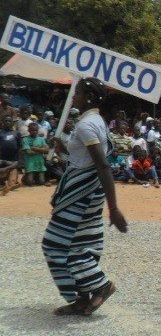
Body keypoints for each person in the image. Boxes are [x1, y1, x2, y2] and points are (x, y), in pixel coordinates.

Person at [42, 77, 128, 316]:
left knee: (54, 244)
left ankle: (101, 285)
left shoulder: (86, 125)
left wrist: (114, 208)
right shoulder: (95, 121)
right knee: (79, 244)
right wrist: (62, 148)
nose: (73, 96)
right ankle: (81, 299)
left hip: (80, 195)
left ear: (88, 97)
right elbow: (86, 158)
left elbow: (102, 166)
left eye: (77, 92)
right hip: (85, 193)